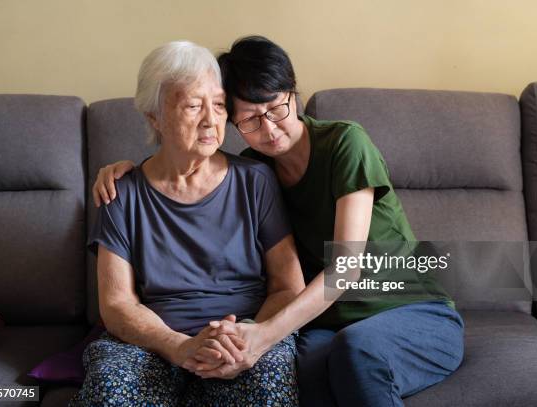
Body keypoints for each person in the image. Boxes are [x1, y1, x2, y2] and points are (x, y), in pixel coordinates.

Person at [93, 36, 465, 407]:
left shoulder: (342, 145)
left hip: (403, 307)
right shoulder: (259, 168)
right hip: (327, 322)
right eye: (251, 119)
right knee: (307, 377)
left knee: (357, 353)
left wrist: (262, 335)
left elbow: (346, 269)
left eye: (276, 109)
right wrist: (125, 174)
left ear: (294, 95)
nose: (269, 130)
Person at [71, 40, 305, 406]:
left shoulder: (255, 180)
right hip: (153, 341)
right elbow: (116, 304)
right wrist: (178, 346)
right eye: (194, 106)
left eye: (218, 104)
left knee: (267, 384)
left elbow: (288, 287)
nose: (212, 120)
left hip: (244, 336)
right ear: (154, 117)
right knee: (110, 388)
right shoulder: (121, 193)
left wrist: (244, 336)